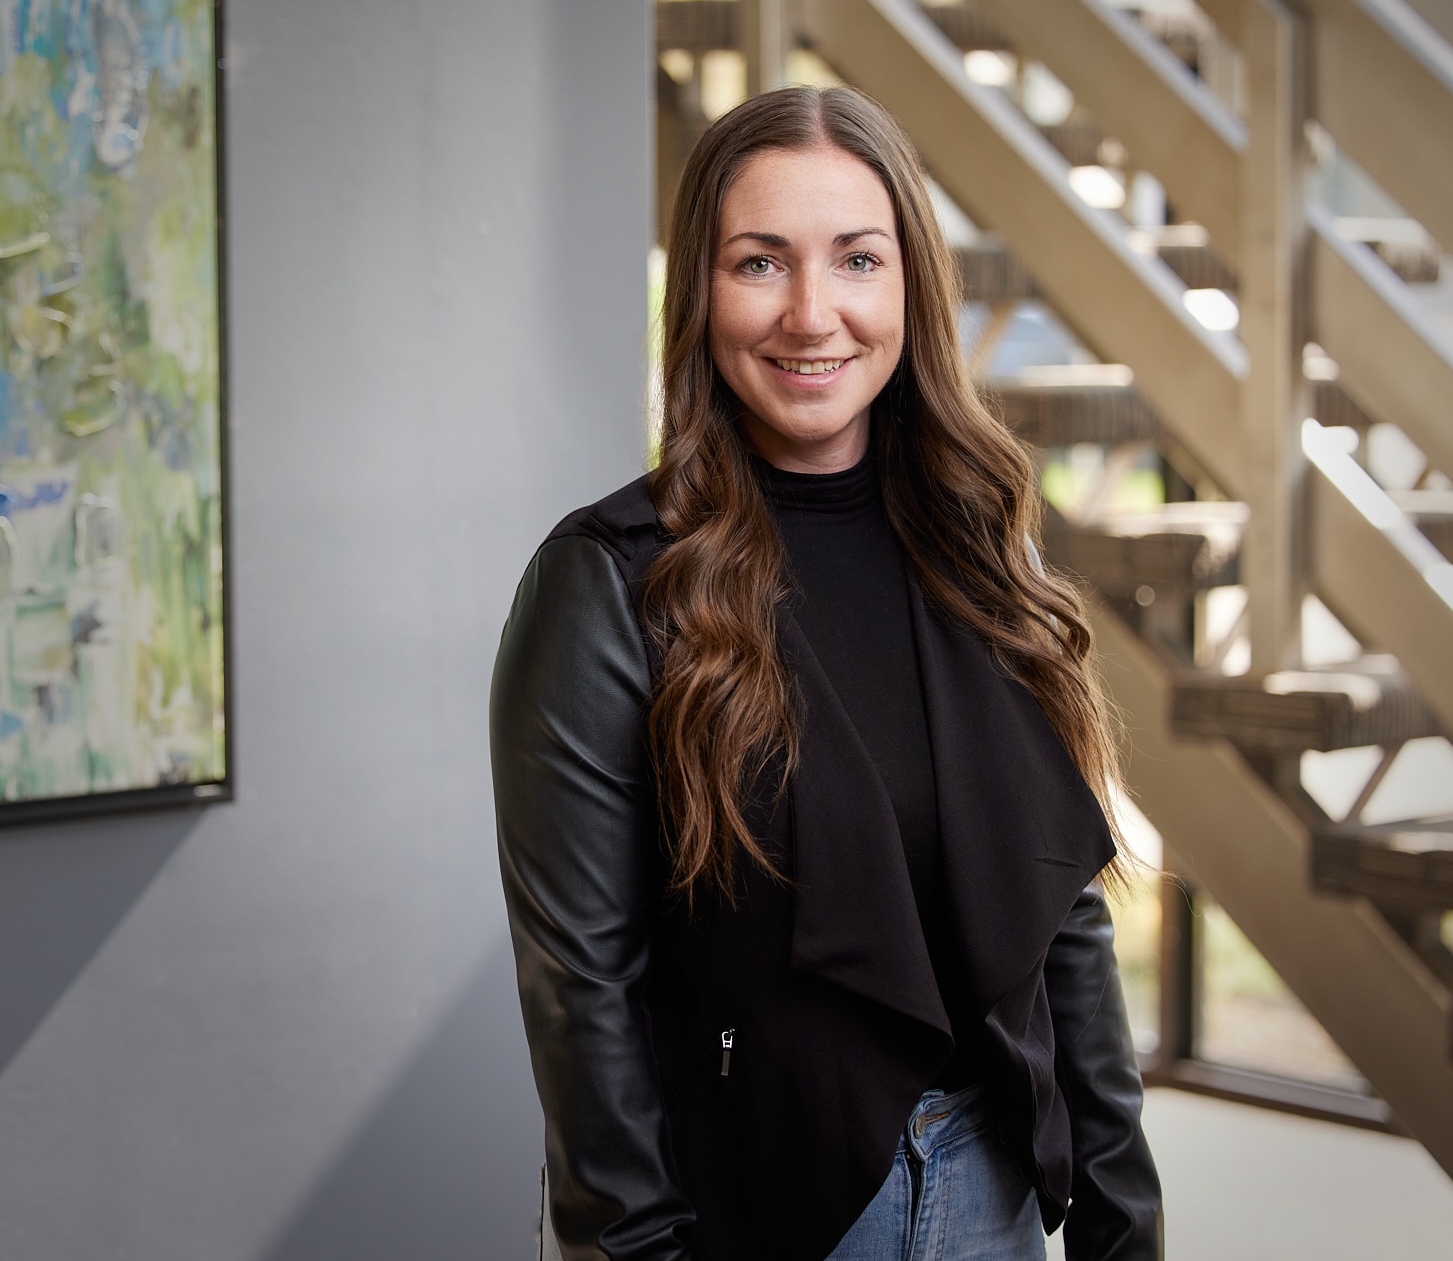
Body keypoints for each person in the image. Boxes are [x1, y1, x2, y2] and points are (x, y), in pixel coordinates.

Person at [491, 86, 1162, 1260]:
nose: (813, 314)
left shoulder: (980, 548)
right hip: (748, 1217)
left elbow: (1056, 923)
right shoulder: (607, 583)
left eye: (856, 259)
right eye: (759, 263)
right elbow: (582, 989)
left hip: (991, 1198)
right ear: (698, 291)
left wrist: (1122, 1224)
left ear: (908, 286)